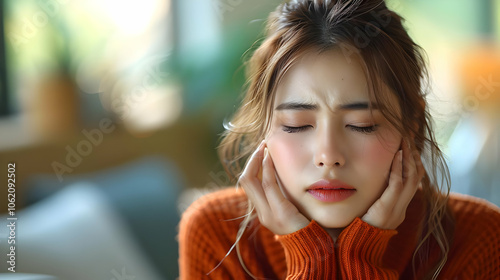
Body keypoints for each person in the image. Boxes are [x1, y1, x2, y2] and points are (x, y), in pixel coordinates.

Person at [178, 0, 500, 279]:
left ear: (412, 125)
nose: (328, 155)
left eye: (362, 125)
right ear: (264, 130)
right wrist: (309, 254)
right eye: (296, 125)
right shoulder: (217, 236)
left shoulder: (476, 239)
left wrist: (363, 254)